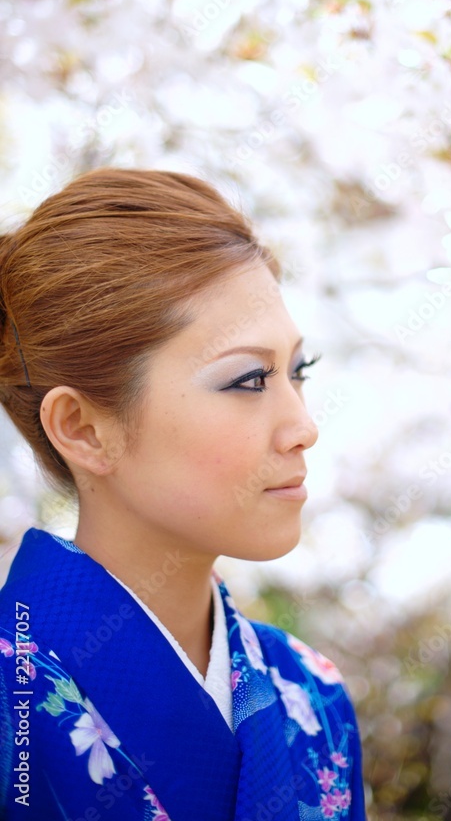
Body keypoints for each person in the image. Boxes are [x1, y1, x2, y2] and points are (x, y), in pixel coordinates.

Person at [0, 168, 365, 820]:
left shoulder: (311, 691)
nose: (303, 427)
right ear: (83, 429)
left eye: (297, 372)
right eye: (248, 381)